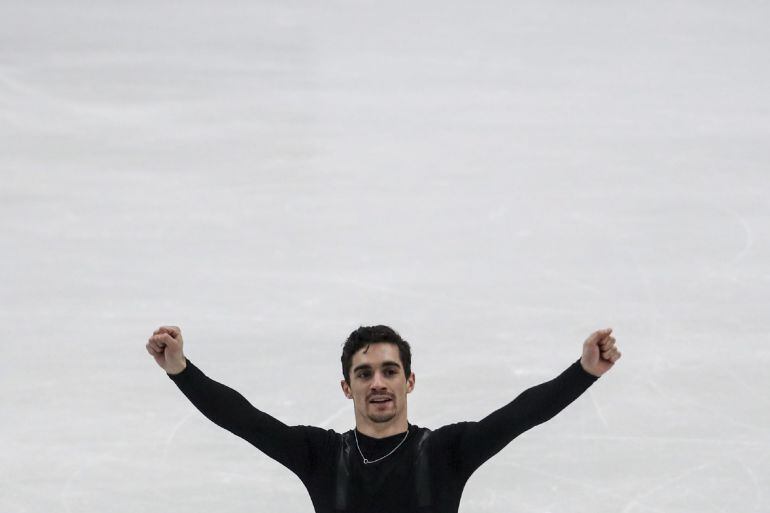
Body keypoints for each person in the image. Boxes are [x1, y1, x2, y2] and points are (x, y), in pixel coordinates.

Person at [146, 324, 621, 513]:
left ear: (409, 382)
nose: (378, 382)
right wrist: (181, 372)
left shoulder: (444, 453)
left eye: (390, 371)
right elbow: (244, 419)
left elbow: (520, 415)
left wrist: (583, 373)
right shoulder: (321, 455)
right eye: (365, 373)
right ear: (346, 387)